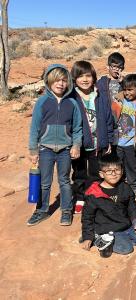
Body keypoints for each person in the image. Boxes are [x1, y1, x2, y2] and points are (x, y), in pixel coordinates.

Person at [27, 64, 82, 226]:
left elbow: (77, 128)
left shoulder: (72, 103)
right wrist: (33, 149)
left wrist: (76, 145)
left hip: (65, 150)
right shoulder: (42, 102)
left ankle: (66, 211)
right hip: (45, 149)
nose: (61, 84)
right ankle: (42, 210)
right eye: (57, 80)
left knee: (64, 181)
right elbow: (35, 128)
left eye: (64, 80)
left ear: (68, 83)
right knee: (44, 182)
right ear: (49, 81)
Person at [81, 154, 136, 255]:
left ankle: (122, 239)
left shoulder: (125, 187)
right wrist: (87, 237)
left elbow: (132, 206)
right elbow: (87, 217)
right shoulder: (94, 194)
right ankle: (99, 238)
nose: (114, 174)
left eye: (117, 170)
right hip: (108, 230)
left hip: (126, 226)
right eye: (109, 171)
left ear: (122, 171)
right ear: (101, 174)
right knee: (126, 249)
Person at [70, 61, 113, 209]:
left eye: (88, 76)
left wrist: (108, 140)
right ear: (74, 79)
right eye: (80, 76)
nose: (85, 79)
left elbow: (108, 118)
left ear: (93, 77)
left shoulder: (99, 95)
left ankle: (93, 195)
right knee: (79, 172)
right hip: (80, 143)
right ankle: (80, 197)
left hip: (98, 142)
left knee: (96, 171)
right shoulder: (72, 97)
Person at [115, 74, 136, 194]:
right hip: (118, 141)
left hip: (131, 142)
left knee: (132, 166)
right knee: (117, 165)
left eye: (130, 90)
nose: (127, 93)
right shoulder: (120, 100)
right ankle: (117, 186)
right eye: (125, 89)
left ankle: (132, 187)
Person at [96, 52, 125, 146]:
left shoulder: (125, 82)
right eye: (114, 66)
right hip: (107, 118)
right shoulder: (101, 83)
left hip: (121, 121)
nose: (117, 69)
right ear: (108, 67)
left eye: (120, 67)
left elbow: (125, 97)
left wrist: (123, 84)